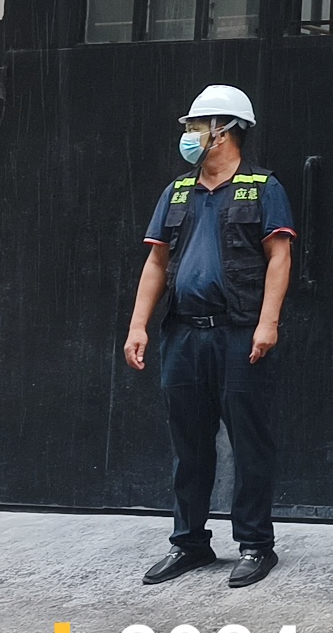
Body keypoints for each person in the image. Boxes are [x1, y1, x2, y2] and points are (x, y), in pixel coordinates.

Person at [123, 85, 295, 589]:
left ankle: (255, 545)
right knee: (189, 444)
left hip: (239, 332)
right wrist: (138, 324)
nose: (190, 135)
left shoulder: (262, 187)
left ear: (225, 131)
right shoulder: (178, 191)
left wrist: (268, 322)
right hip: (183, 334)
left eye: (198, 126)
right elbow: (156, 261)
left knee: (249, 443)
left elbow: (279, 258)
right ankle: (189, 542)